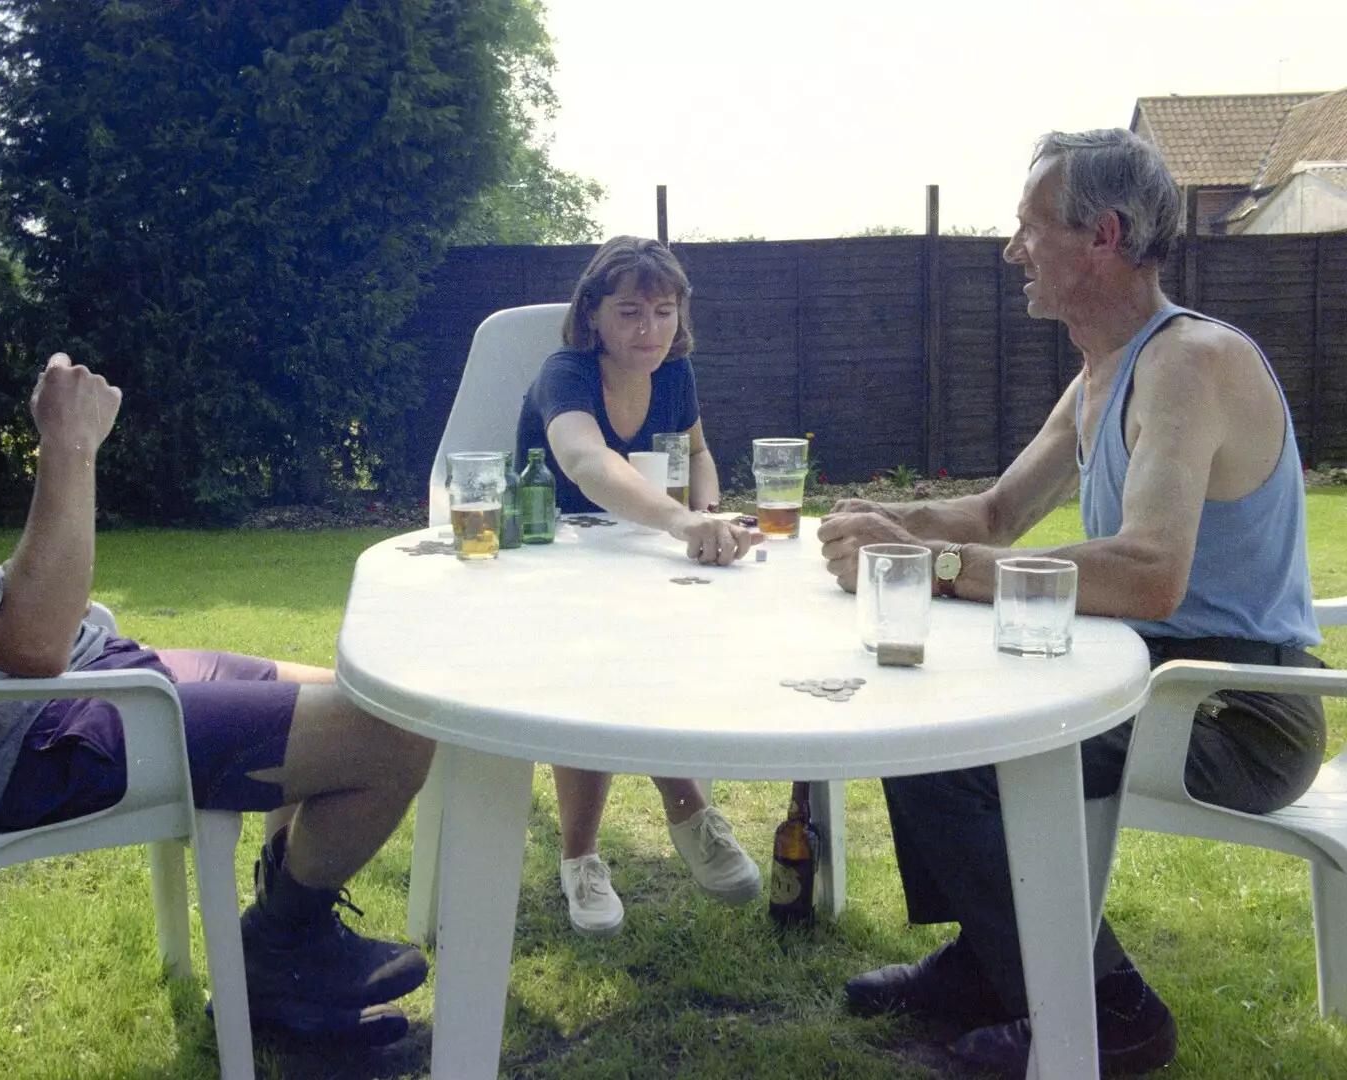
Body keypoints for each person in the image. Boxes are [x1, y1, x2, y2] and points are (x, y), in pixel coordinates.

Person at [0, 202, 436, 1047]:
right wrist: (68, 449)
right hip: (35, 740)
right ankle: (279, 949)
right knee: (398, 734)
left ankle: (284, 968)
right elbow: (31, 640)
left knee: (345, 697)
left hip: (75, 688)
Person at [817, 129, 1328, 1077]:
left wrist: (926, 566)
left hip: (1238, 710)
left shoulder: (1189, 362)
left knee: (952, 745)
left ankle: (1108, 1013)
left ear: (1103, 234)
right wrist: (878, 519)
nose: (1012, 249)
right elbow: (997, 512)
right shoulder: (1101, 372)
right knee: (922, 709)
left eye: (1028, 228)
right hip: (1157, 680)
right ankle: (990, 965)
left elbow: (1148, 572)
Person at [514, 235, 763, 936]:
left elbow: (699, 451)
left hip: (642, 552)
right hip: (545, 563)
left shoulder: (676, 374)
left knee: (684, 635)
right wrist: (682, 522)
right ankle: (599, 848)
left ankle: (679, 814)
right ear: (592, 313)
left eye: (662, 310)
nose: (648, 328)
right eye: (629, 311)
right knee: (595, 654)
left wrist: (709, 516)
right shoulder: (565, 372)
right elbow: (586, 462)